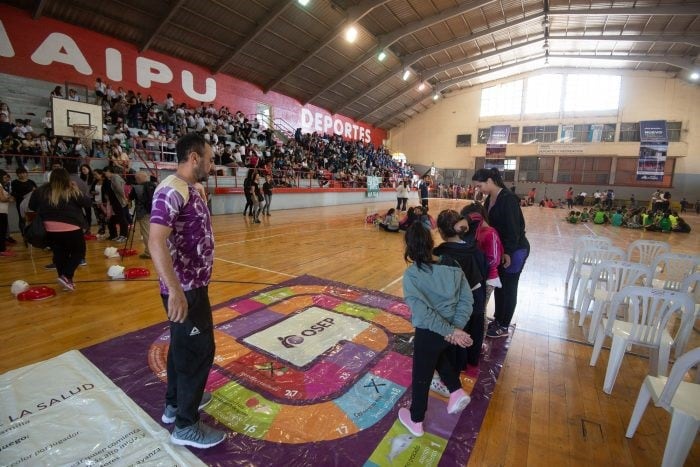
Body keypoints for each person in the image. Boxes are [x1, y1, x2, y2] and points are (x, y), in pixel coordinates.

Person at [148, 133, 226, 449]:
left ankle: (174, 404)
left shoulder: (192, 188)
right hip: (186, 290)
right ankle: (186, 425)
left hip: (194, 287)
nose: (212, 164)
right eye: (209, 159)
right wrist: (176, 291)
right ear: (194, 158)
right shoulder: (170, 191)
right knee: (198, 350)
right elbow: (155, 241)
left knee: (182, 346)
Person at [398, 223, 473, 437]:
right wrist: (454, 328)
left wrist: (452, 330)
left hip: (431, 331)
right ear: (431, 243)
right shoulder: (453, 265)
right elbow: (467, 300)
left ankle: (416, 420)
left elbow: (422, 313)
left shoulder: (411, 275)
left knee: (421, 375)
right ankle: (456, 391)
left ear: (409, 248)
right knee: (438, 357)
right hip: (447, 333)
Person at [471, 168, 529, 339]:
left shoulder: (508, 199)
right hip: (501, 249)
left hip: (515, 250)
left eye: (480, 185)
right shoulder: (490, 198)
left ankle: (504, 325)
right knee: (499, 286)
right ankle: (497, 319)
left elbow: (514, 229)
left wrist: (509, 252)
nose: (478, 189)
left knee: (509, 288)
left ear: (490, 181)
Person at [434, 209, 486, 379]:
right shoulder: (473, 247)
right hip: (477, 296)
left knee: (457, 331)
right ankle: (472, 358)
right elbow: (482, 270)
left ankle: (457, 365)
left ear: (441, 232)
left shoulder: (443, 254)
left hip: (458, 300)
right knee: (475, 328)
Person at [28, 168, 90, 289]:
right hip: (71, 227)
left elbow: (32, 206)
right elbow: (87, 203)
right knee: (79, 252)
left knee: (60, 254)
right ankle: (66, 276)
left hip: (50, 228)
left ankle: (66, 281)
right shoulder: (71, 190)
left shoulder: (41, 190)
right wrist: (77, 189)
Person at [129, 171, 156, 259]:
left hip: (143, 213)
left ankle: (149, 253)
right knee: (153, 233)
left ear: (137, 179)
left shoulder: (136, 188)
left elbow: (130, 198)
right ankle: (156, 251)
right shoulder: (154, 185)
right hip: (155, 212)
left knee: (146, 233)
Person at [10, 167, 37, 235]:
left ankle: (32, 233)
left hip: (31, 203)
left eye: (23, 173)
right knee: (22, 218)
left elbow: (36, 192)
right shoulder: (14, 182)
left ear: (26, 173)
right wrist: (24, 195)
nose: (22, 175)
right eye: (20, 173)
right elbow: (13, 193)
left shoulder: (31, 182)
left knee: (32, 218)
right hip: (20, 203)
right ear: (17, 174)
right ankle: (23, 234)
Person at [0, 170, 13, 257]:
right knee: (1, 231)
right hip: (0, 211)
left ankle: (2, 248)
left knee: (2, 231)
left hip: (2, 211)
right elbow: (2, 199)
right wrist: (10, 199)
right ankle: (2, 250)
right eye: (4, 177)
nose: (5, 179)